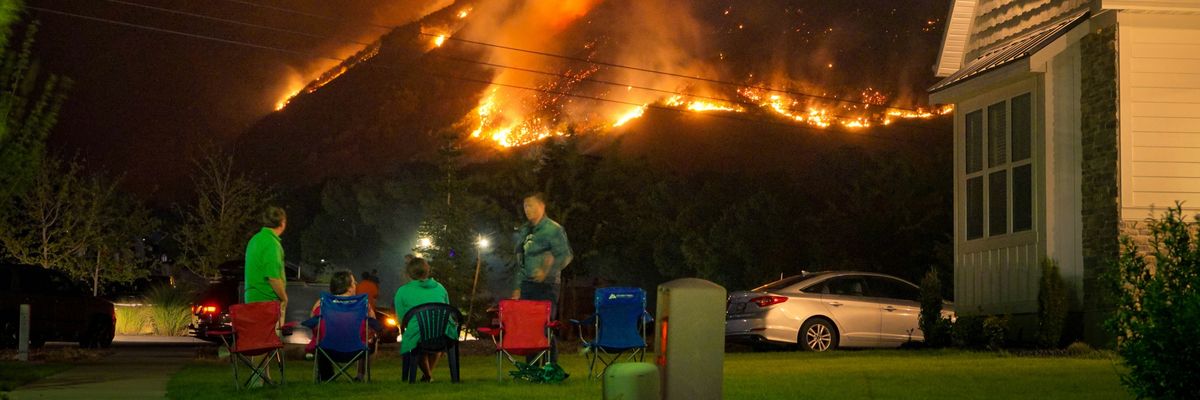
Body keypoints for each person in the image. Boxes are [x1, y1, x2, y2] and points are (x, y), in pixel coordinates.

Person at [511, 192, 572, 363]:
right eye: (525, 206)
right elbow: (521, 260)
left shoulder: (553, 229)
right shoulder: (525, 230)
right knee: (529, 328)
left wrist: (547, 271)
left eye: (531, 205)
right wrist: (517, 287)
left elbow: (565, 255)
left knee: (544, 325)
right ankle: (532, 367)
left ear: (542, 206)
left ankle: (550, 366)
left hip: (547, 286)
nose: (527, 209)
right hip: (527, 285)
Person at [242, 206, 288, 386]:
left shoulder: (255, 240)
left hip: (252, 297)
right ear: (282, 223)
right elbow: (273, 276)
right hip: (266, 300)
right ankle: (259, 380)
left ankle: (261, 378)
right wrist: (284, 297)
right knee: (265, 340)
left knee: (259, 340)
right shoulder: (271, 243)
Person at [308, 269, 375, 381]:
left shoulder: (322, 302)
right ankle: (360, 375)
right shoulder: (363, 304)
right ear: (349, 288)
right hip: (357, 350)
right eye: (354, 283)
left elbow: (313, 323)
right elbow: (373, 324)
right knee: (371, 339)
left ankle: (325, 375)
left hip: (327, 350)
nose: (356, 285)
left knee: (320, 337)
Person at [394, 257, 451, 382]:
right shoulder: (440, 288)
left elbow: (402, 319)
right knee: (435, 343)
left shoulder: (402, 291)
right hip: (441, 334)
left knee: (416, 341)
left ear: (409, 273)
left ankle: (427, 375)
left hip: (417, 334)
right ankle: (427, 375)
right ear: (427, 270)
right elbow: (447, 310)